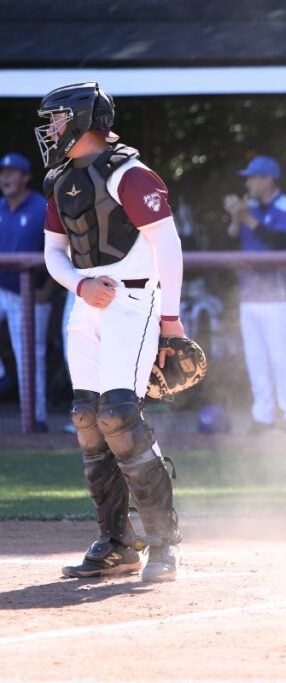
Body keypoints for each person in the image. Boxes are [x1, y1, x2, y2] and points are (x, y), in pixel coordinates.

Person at [37, 81, 184, 582]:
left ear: (81, 121)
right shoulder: (61, 180)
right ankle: (117, 544)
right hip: (87, 307)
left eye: (57, 120)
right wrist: (80, 285)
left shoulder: (130, 173)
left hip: (135, 299)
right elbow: (53, 254)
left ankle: (164, 543)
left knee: (119, 415)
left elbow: (169, 245)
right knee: (87, 417)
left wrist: (172, 319)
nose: (51, 129)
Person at [223, 155, 286, 430]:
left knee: (282, 358)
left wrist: (247, 218)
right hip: (250, 296)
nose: (247, 183)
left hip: (280, 298)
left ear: (267, 179)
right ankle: (263, 417)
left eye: (252, 178)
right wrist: (237, 219)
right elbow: (231, 241)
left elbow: (279, 243)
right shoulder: (251, 209)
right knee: (255, 360)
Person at [0, 151, 52, 431]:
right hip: (3, 289)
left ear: (26, 178)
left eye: (12, 172)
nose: (5, 176)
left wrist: (48, 289)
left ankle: (37, 420)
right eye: (2, 172)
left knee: (30, 357)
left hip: (32, 294)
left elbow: (64, 251)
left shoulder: (41, 207)